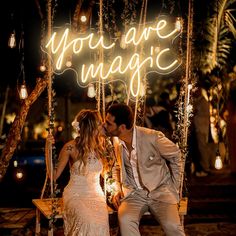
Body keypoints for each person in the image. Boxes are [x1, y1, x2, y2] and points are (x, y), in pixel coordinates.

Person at [104, 103, 185, 236]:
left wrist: (174, 187)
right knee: (125, 219)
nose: (104, 125)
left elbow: (176, 156)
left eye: (108, 123)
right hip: (134, 195)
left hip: (160, 191)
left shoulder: (152, 137)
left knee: (173, 226)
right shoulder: (116, 142)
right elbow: (116, 166)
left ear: (122, 127)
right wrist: (118, 188)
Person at [46, 109, 110, 236]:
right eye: (99, 123)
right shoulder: (70, 147)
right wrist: (47, 149)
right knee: (88, 221)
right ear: (90, 127)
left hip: (96, 195)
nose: (102, 125)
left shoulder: (101, 147)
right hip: (76, 195)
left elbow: (107, 173)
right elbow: (53, 176)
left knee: (100, 223)